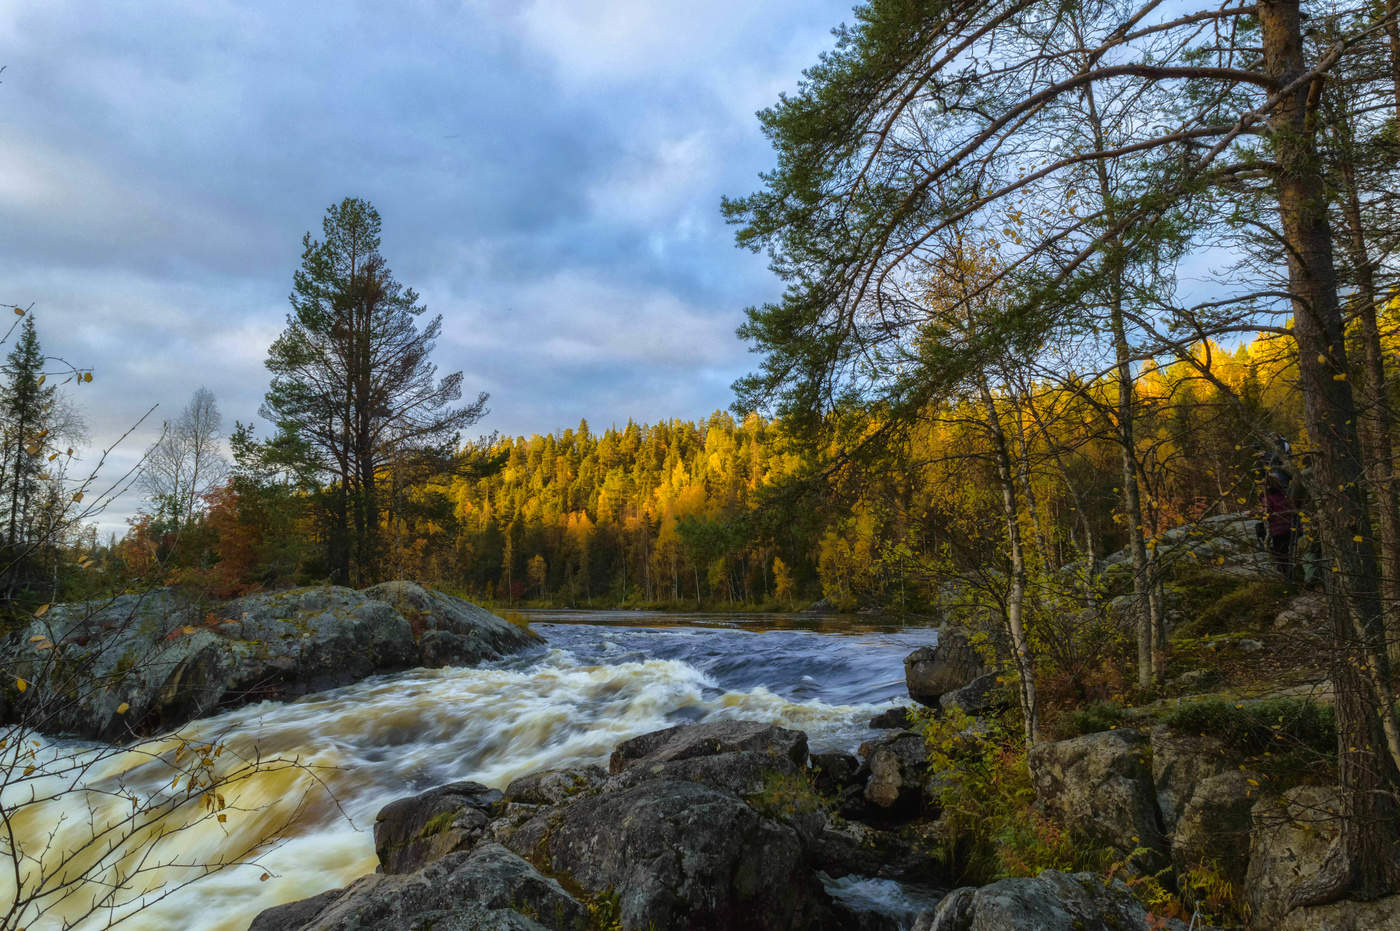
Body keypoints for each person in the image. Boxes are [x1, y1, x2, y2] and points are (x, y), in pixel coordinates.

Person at [1261, 467, 1297, 580]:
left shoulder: (1267, 496)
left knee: (1281, 554)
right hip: (1291, 526)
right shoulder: (1284, 493)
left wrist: (1256, 513)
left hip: (1277, 529)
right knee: (1287, 551)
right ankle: (1290, 574)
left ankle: (1287, 577)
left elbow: (1267, 512)